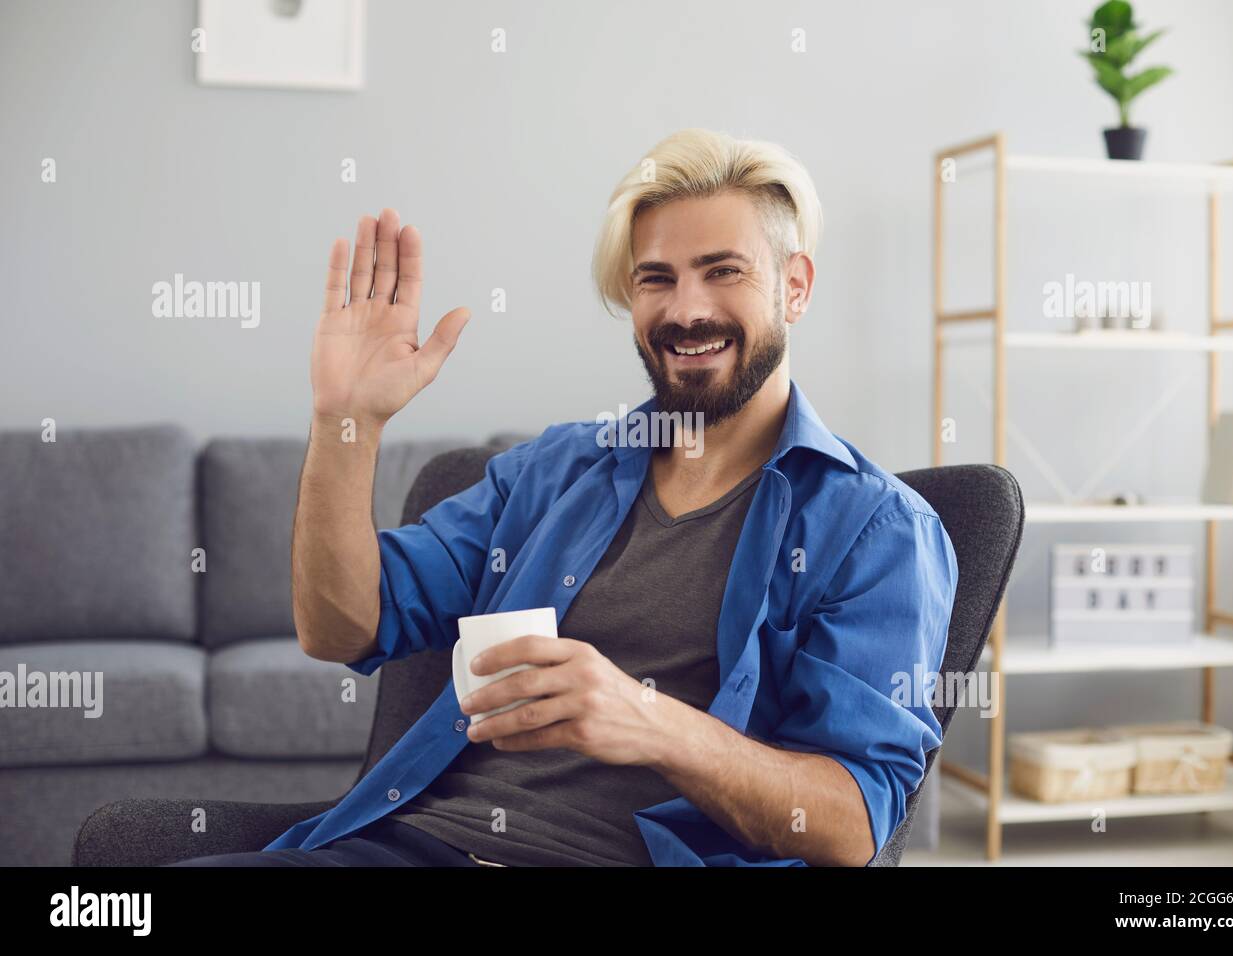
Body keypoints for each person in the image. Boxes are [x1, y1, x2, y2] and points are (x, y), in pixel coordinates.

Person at [168, 128, 957, 868]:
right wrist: (346, 424)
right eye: (657, 278)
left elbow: (855, 822)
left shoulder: (877, 530)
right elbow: (338, 626)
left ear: (795, 287)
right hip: (415, 847)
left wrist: (649, 722)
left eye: (724, 271)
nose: (687, 310)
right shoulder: (558, 470)